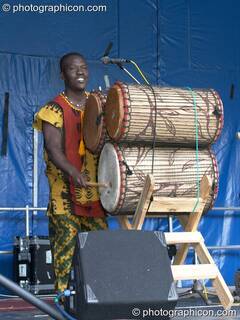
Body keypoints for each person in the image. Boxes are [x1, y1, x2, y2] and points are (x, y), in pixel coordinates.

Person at [33, 52, 108, 293]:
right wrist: (74, 173)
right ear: (62, 74)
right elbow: (53, 150)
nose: (80, 72)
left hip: (95, 196)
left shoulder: (99, 106)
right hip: (64, 197)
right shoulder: (53, 109)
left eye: (84, 67)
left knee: (100, 252)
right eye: (73, 68)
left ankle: (98, 301)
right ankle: (63, 304)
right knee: (66, 254)